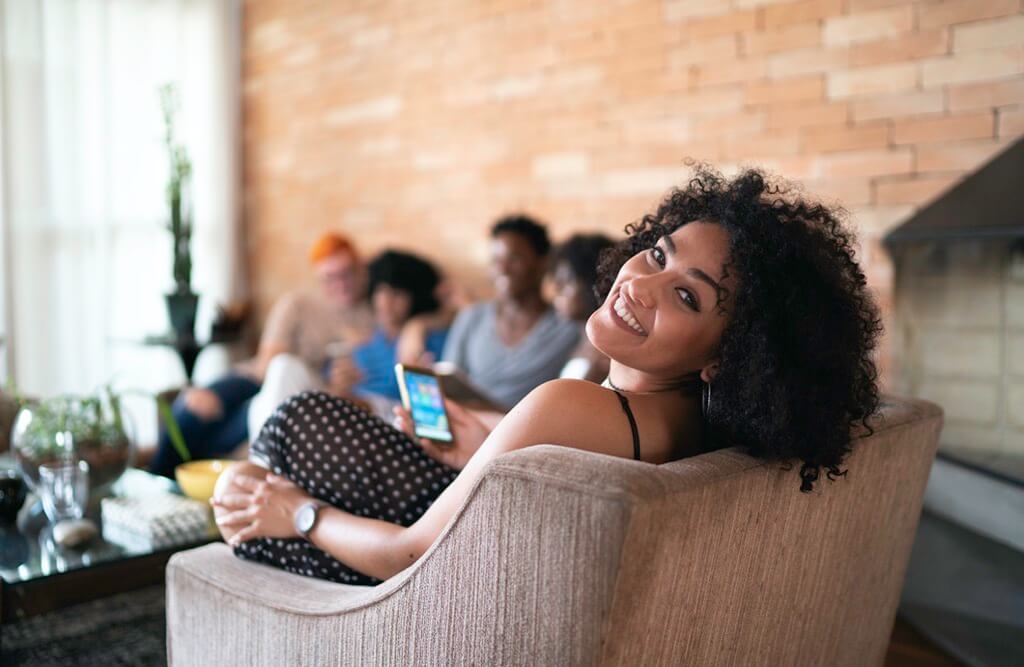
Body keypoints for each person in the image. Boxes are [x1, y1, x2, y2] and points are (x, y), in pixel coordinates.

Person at [211, 166, 882, 586]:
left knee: (286, 430)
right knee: (288, 429)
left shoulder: (569, 401)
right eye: (657, 254)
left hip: (416, 576)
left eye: (687, 296)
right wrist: (493, 448)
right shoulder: (682, 422)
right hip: (467, 541)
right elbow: (562, 472)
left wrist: (294, 513)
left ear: (729, 356)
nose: (642, 283)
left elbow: (412, 553)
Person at [148, 232, 372, 477]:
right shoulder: (297, 304)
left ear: (360, 268)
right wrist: (219, 395)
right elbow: (268, 363)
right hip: (255, 379)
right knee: (193, 407)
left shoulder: (373, 316)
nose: (340, 284)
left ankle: (178, 479)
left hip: (303, 395)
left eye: (346, 273)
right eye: (330, 278)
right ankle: (155, 481)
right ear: (318, 278)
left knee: (232, 430)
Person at [247, 249, 449, 429]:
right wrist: (337, 388)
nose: (385, 302)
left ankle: (267, 460)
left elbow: (428, 407)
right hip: (342, 410)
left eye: (396, 294)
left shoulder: (428, 341)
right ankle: (269, 458)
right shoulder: (366, 339)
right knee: (279, 375)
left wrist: (417, 326)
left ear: (415, 297)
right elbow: (330, 390)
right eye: (380, 291)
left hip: (386, 417)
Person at [438, 215, 582, 410]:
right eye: (496, 260)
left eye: (514, 259)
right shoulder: (472, 317)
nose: (502, 269)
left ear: (542, 263)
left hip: (528, 434)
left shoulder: (566, 327)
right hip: (467, 425)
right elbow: (448, 382)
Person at [548, 233, 616, 382]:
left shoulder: (605, 358)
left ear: (593, 283)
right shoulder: (579, 341)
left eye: (566, 282)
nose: (557, 291)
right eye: (557, 282)